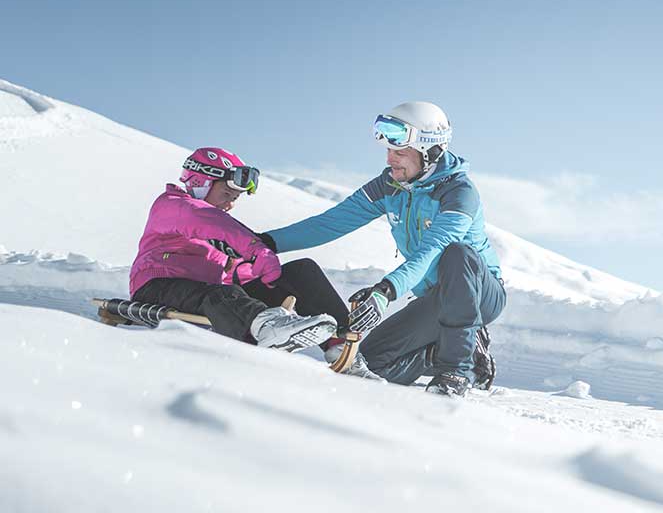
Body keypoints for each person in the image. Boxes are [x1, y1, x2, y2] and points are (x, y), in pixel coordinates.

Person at [259, 102, 506, 395]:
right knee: (370, 364)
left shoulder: (458, 193)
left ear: (430, 152)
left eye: (400, 152)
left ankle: (456, 370)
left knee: (457, 254)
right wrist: (262, 242)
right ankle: (463, 355)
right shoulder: (390, 185)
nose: (390, 159)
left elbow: (433, 250)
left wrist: (385, 291)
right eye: (388, 151)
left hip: (479, 294)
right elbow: (330, 223)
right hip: (434, 297)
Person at [129, 146, 381, 375]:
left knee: (300, 271)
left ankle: (342, 347)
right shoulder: (173, 205)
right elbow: (207, 220)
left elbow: (232, 269)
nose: (230, 204)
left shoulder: (216, 227)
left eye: (235, 198)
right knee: (220, 295)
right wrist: (256, 250)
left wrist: (264, 275)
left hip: (205, 289)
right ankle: (267, 326)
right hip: (157, 286)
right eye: (226, 193)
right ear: (201, 182)